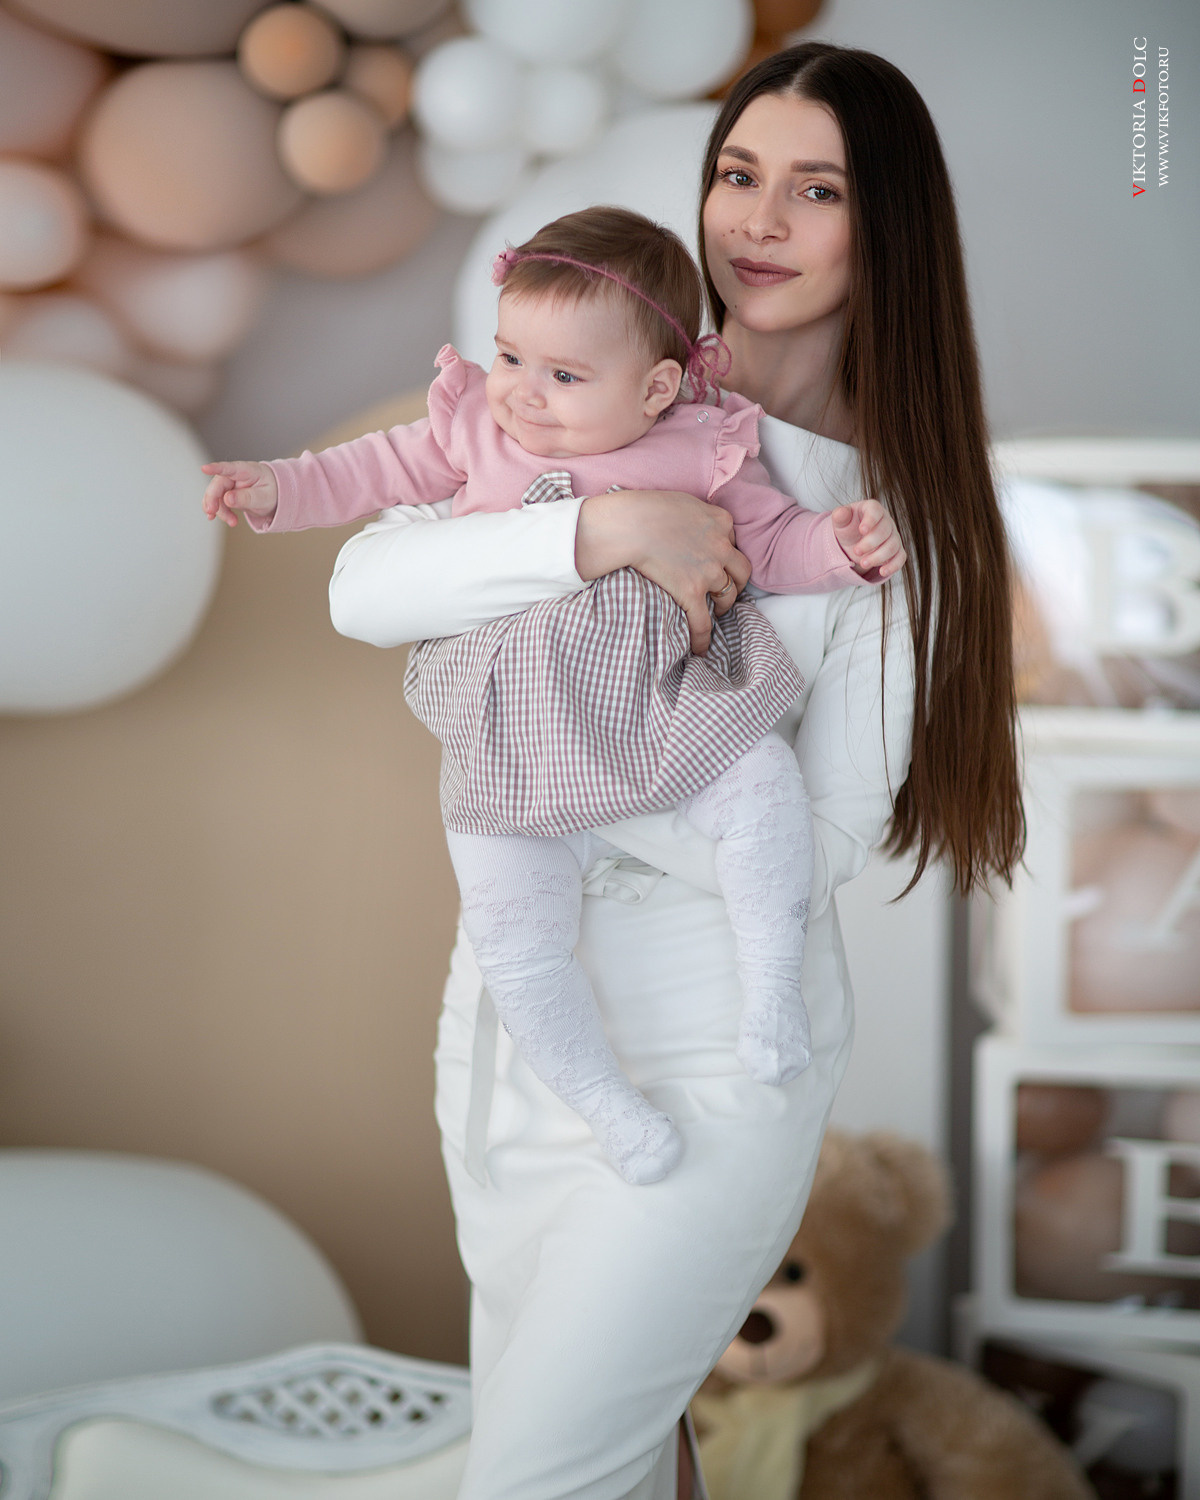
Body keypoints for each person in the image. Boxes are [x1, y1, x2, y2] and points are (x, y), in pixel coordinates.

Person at [310, 42, 1024, 1500]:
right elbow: (363, 593)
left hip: (714, 1056)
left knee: (535, 1478)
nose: (757, 220)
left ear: (885, 226)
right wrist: (607, 536)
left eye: (814, 190)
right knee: (619, 1462)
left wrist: (581, 766)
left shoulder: (892, 526)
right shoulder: (587, 399)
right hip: (513, 1031)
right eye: (737, 175)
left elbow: (814, 838)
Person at [201, 207, 905, 1188]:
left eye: (565, 377)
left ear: (658, 387)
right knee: (513, 940)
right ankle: (604, 1105)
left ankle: (771, 985)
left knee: (762, 786)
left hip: (661, 702)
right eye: (510, 357)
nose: (524, 397)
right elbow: (368, 472)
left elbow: (777, 546)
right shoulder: (476, 430)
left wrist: (844, 549)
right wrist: (278, 491)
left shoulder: (700, 450)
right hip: (508, 731)